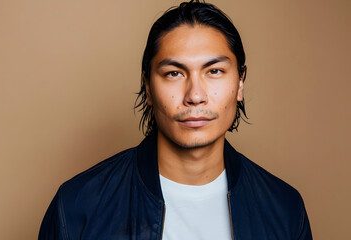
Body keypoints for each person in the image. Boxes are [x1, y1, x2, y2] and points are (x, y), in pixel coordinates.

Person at [38, 1, 312, 239]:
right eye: (174, 73)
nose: (195, 96)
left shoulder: (285, 208)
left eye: (214, 71)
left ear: (240, 82)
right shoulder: (77, 206)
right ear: (147, 86)